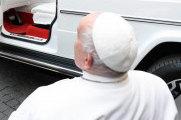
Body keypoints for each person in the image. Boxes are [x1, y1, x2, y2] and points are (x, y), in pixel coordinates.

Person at [9, 12, 178, 120]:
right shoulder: (156, 86)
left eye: (78, 37)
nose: (75, 42)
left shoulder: (46, 100)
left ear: (87, 60)